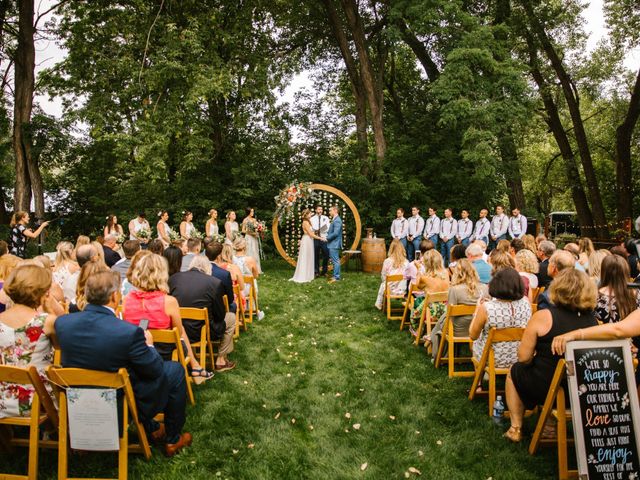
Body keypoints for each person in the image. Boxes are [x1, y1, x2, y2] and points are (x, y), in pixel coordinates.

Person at [55, 271, 193, 456]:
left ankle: (152, 427)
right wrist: (150, 346)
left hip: (78, 401)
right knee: (174, 370)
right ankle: (173, 439)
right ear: (114, 296)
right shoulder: (128, 332)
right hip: (119, 401)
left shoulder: (63, 324)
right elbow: (154, 370)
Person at [504, 269, 598, 442]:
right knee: (547, 374)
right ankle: (548, 426)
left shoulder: (543, 316)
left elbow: (523, 358)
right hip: (583, 389)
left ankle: (515, 428)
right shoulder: (593, 320)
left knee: (515, 371)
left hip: (547, 388)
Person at [123, 254, 212, 382]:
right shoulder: (169, 302)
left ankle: (196, 367)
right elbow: (178, 333)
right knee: (180, 330)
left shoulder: (126, 300)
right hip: (165, 353)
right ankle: (196, 367)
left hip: (136, 351)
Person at [0, 264, 56, 418]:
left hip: (2, 399)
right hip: (36, 400)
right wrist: (50, 310)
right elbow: (60, 350)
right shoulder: (47, 321)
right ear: (41, 291)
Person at [169, 256, 237, 372]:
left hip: (178, 329)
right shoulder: (214, 283)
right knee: (231, 317)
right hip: (202, 331)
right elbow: (220, 316)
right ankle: (220, 359)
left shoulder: (174, 278)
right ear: (208, 268)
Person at [470, 268, 531, 368]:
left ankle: (479, 381)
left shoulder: (486, 308)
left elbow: (472, 335)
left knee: (475, 341)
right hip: (519, 357)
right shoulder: (526, 302)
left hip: (491, 358)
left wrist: (476, 312)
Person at [429, 258, 486, 356]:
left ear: (457, 273)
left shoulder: (455, 290)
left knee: (444, 319)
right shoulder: (485, 288)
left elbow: (450, 314)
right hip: (478, 329)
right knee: (444, 318)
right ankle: (431, 336)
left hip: (457, 330)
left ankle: (434, 344)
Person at [594, 255, 640, 341]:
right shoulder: (637, 294)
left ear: (604, 271)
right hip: (634, 346)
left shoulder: (595, 297)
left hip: (606, 345)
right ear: (626, 271)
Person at [410, 249, 449, 337]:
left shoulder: (425, 278)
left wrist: (419, 269)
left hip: (431, 312)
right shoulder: (446, 273)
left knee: (414, 309)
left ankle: (417, 331)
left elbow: (418, 286)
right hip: (445, 310)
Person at [291, 209, 324, 284]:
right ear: (306, 215)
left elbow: (312, 232)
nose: (311, 214)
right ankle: (303, 275)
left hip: (310, 240)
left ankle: (308, 274)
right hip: (307, 240)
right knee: (305, 257)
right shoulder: (305, 222)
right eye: (309, 214)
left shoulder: (309, 221)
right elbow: (310, 234)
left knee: (309, 257)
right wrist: (320, 238)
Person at [375, 239, 409, 310]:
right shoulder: (407, 262)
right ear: (402, 249)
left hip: (390, 289)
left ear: (391, 249)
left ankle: (379, 303)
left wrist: (386, 281)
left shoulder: (387, 261)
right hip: (403, 290)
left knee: (384, 284)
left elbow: (383, 276)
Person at [206, 242, 236, 313]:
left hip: (202, 306)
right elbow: (230, 299)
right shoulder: (224, 274)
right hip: (218, 310)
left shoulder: (200, 271)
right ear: (219, 256)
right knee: (233, 306)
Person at [312, 205, 331, 277]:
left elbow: (328, 227)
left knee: (326, 254)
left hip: (324, 238)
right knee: (315, 255)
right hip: (315, 238)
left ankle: (324, 271)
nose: (320, 211)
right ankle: (316, 271)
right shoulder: (312, 218)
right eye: (319, 209)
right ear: (316, 210)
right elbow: (311, 228)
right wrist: (316, 230)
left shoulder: (325, 218)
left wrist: (319, 230)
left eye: (321, 209)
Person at [242, 207, 262, 274]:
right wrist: (250, 232)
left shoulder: (254, 220)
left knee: (255, 251)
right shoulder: (245, 220)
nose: (253, 213)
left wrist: (259, 230)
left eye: (253, 211)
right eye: (252, 211)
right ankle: (248, 269)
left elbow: (257, 228)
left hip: (254, 238)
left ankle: (256, 269)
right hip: (248, 238)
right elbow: (243, 230)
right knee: (249, 251)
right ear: (249, 212)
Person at [326, 205, 343, 284]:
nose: (329, 212)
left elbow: (336, 233)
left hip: (334, 243)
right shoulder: (335, 219)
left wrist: (328, 238)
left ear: (335, 210)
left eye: (330, 210)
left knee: (336, 261)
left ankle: (336, 277)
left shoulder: (337, 220)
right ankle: (335, 276)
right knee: (335, 260)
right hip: (333, 243)